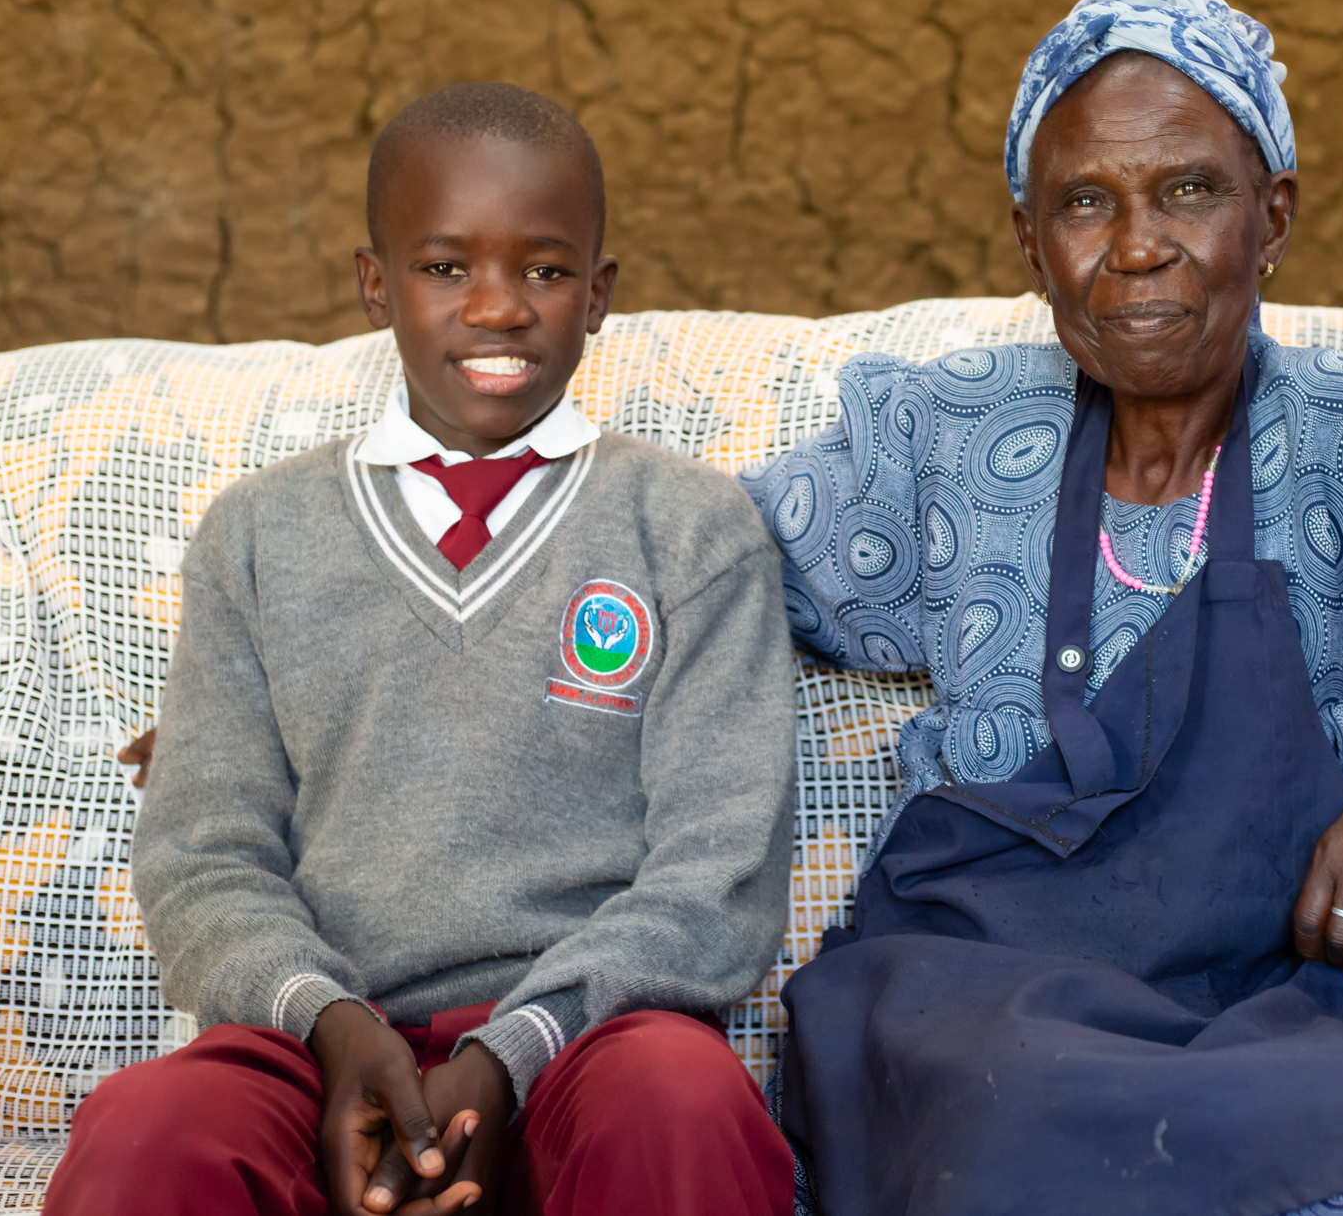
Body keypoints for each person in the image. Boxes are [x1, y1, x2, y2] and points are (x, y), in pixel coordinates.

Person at [743, 0, 1343, 1216]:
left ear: (1270, 217)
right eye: (1082, 203)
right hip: (971, 1010)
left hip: (1271, 1000)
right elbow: (692, 564)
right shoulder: (937, 435)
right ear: (1028, 243)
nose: (1134, 246)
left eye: (1188, 190)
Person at [46, 83, 798, 1216]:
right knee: (150, 1132)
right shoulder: (259, 534)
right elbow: (204, 853)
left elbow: (716, 874)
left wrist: (508, 1056)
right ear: (374, 286)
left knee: (681, 1103)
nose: (496, 308)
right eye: (447, 268)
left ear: (598, 296)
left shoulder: (687, 528)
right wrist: (335, 1029)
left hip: (585, 1050)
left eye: (543, 270)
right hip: (322, 1049)